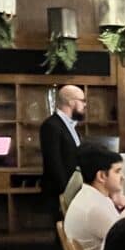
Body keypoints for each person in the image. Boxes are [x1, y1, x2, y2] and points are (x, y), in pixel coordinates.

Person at [63, 145, 125, 250]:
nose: (123, 177)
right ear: (101, 176)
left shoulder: (90, 196)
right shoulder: (95, 208)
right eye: (117, 171)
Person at [40, 84, 85, 213]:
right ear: (71, 102)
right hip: (60, 194)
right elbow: (54, 163)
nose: (85, 104)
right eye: (82, 100)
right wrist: (66, 193)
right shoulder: (51, 125)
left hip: (75, 191)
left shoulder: (72, 126)